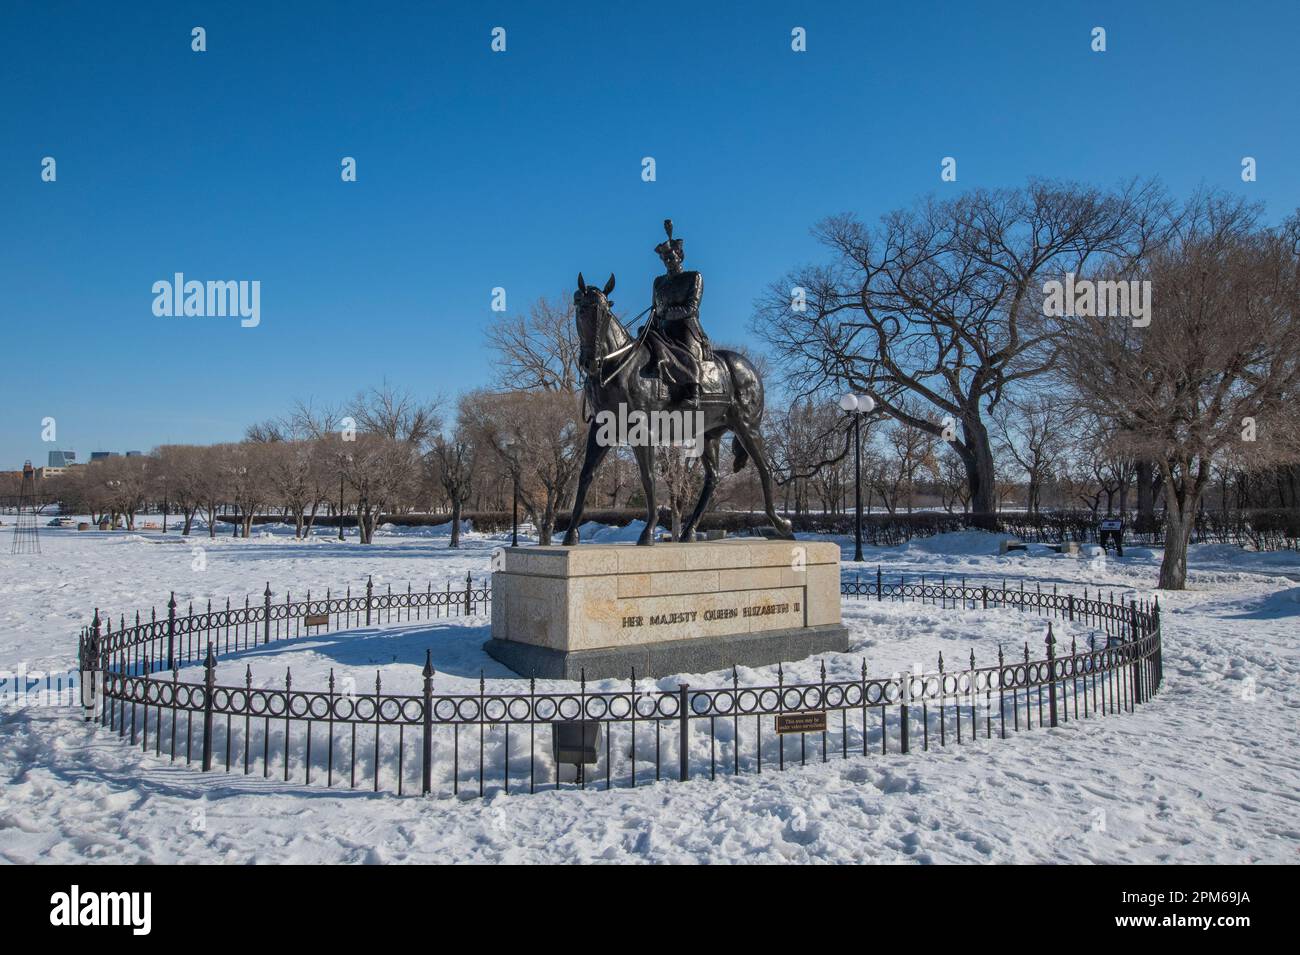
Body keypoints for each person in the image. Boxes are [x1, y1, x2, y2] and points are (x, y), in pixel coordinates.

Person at [649, 219, 710, 406]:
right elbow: (654, 308)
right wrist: (650, 325)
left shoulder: (693, 277)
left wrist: (666, 313)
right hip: (663, 328)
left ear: (680, 256)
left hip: (686, 326)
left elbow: (691, 307)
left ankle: (694, 390)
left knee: (687, 351)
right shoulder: (658, 282)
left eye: (672, 258)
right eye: (665, 259)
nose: (668, 262)